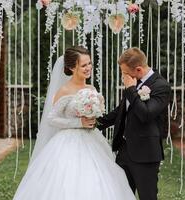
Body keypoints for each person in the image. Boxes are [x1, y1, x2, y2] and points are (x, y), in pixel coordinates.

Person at [13, 46, 136, 200]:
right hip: (67, 143)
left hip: (92, 140)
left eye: (90, 63)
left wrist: (94, 116)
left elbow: (96, 114)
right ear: (72, 67)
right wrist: (79, 122)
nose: (89, 68)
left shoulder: (91, 88)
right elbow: (51, 119)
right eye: (84, 65)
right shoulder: (64, 90)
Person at [97, 47, 171, 200]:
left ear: (138, 69)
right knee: (120, 195)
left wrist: (131, 89)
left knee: (147, 196)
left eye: (124, 73)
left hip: (146, 154)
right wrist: (96, 122)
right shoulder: (134, 81)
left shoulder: (161, 86)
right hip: (124, 150)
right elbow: (122, 110)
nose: (123, 76)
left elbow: (146, 114)